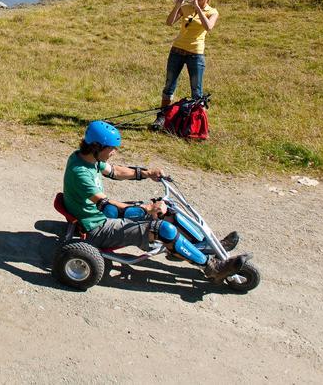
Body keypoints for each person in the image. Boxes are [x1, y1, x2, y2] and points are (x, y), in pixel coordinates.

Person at [63, 120, 246, 282]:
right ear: (97, 147)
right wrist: (148, 208)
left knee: (169, 211)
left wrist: (147, 173)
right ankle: (212, 268)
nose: (114, 152)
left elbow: (115, 171)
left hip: (102, 214)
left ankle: (206, 246)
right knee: (163, 229)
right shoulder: (81, 173)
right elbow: (109, 206)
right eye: (111, 148)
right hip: (97, 227)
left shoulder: (87, 158)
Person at [152, 0, 219, 131]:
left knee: (197, 90)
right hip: (177, 50)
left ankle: (197, 124)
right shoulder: (186, 8)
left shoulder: (212, 11)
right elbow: (169, 22)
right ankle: (162, 117)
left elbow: (208, 27)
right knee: (169, 85)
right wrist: (177, 5)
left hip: (196, 54)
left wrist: (197, 7)